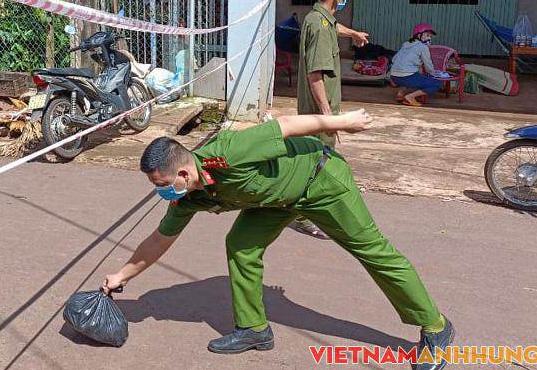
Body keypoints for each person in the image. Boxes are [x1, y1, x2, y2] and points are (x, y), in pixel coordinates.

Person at [101, 110, 453, 370]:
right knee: (241, 246)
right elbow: (160, 240)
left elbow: (285, 126)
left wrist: (342, 121)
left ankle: (435, 326)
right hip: (274, 201)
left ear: (182, 171)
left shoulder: (229, 151)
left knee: (373, 252)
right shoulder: (187, 196)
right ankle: (254, 329)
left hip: (321, 182)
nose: (161, 192)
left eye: (161, 184)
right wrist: (121, 276)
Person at [294, 0, 369, 239]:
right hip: (319, 113)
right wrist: (329, 117)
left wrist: (353, 34)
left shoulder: (318, 19)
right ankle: (302, 215)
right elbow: (316, 75)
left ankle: (307, 210)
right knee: (318, 164)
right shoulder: (319, 26)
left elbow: (333, 26)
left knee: (316, 162)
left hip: (318, 112)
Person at [390, 23, 444, 107]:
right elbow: (429, 66)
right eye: (427, 35)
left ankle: (400, 94)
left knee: (414, 74)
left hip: (393, 76)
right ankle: (410, 97)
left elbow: (393, 59)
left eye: (430, 36)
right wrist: (436, 74)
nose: (429, 38)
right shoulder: (423, 47)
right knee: (437, 84)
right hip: (406, 77)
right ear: (419, 35)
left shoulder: (406, 44)